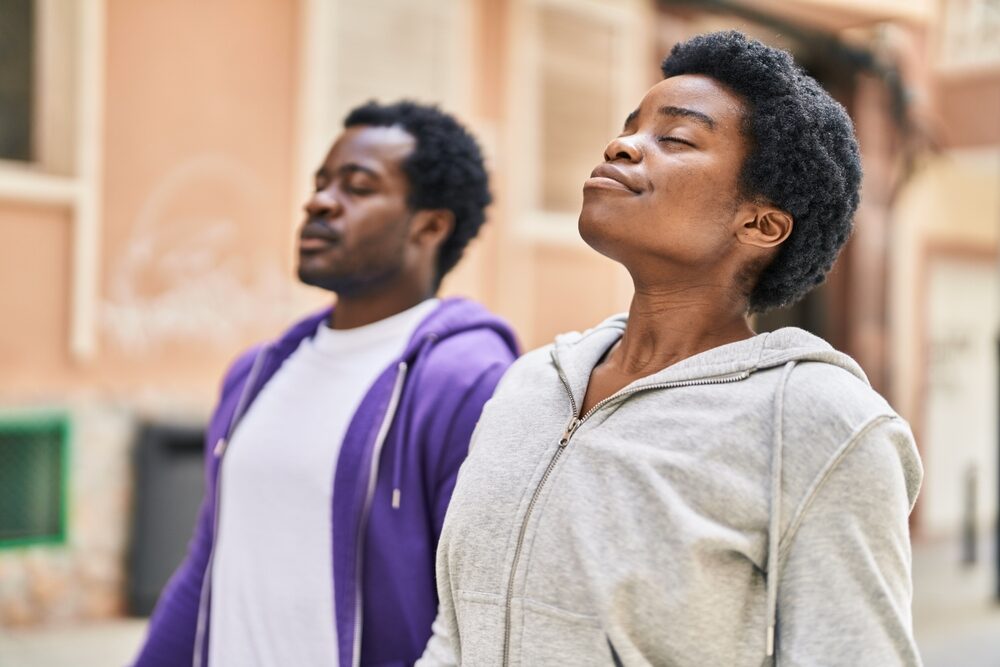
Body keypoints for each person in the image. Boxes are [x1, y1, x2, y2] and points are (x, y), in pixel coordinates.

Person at [419, 31, 922, 666]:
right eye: (630, 128)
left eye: (675, 139)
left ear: (761, 224)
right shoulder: (528, 386)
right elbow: (456, 629)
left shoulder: (820, 423)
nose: (621, 145)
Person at [133, 101, 519, 667]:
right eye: (321, 183)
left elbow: (480, 608)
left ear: (430, 225)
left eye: (357, 188)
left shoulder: (467, 382)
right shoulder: (255, 373)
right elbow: (208, 566)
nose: (319, 201)